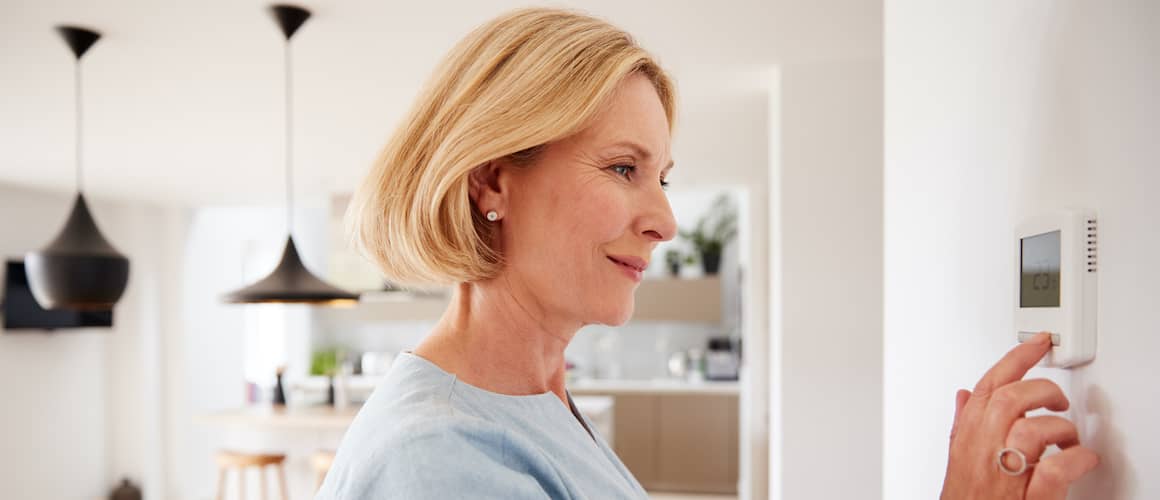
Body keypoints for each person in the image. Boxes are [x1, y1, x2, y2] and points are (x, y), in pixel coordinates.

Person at [318, 7, 1099, 499]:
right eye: (623, 168)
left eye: (662, 177)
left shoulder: (535, 399)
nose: (664, 219)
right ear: (494, 180)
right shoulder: (437, 460)